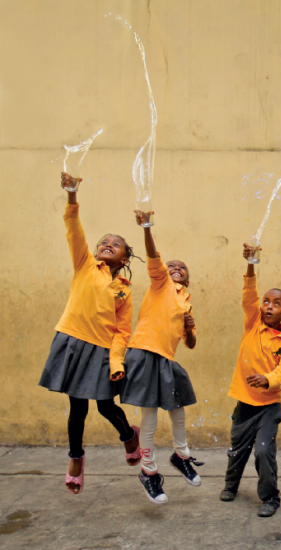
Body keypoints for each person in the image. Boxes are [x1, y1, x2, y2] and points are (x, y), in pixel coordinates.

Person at [39, 172, 141, 495]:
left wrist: (116, 362)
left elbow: (122, 332)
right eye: (104, 242)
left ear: (124, 258)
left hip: (101, 353)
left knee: (106, 406)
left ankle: (129, 436)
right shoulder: (84, 264)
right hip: (71, 343)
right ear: (96, 251)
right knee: (78, 409)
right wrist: (72, 194)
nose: (108, 245)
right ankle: (76, 459)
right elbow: (74, 227)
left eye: (116, 245)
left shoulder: (124, 291)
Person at [120, 210, 202, 505]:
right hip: (143, 352)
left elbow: (189, 344)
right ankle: (148, 471)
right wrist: (146, 227)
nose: (175, 268)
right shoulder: (161, 283)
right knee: (150, 418)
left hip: (166, 359)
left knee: (178, 410)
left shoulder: (185, 302)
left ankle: (181, 456)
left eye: (181, 267)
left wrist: (190, 330)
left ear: (188, 278)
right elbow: (153, 255)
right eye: (172, 266)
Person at [219, 243, 281, 518]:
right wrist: (251, 263)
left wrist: (267, 379)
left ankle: (270, 498)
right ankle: (230, 486)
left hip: (268, 407)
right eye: (266, 301)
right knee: (237, 450)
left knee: (264, 452)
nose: (268, 306)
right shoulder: (252, 322)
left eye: (276, 304)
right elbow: (249, 294)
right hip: (244, 404)